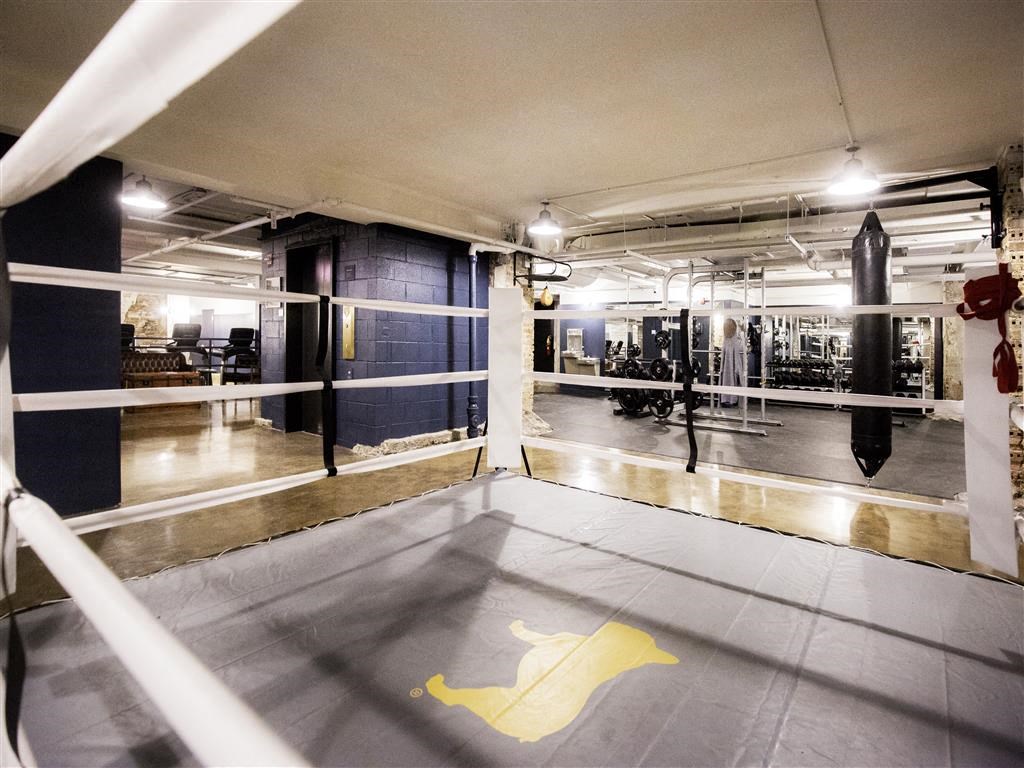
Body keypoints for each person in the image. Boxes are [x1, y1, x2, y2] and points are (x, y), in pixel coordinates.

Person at [720, 318, 746, 406]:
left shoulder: (734, 340)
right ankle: (730, 399)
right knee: (733, 379)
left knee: (734, 379)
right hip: (731, 365)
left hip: (733, 364)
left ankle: (731, 399)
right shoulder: (729, 341)